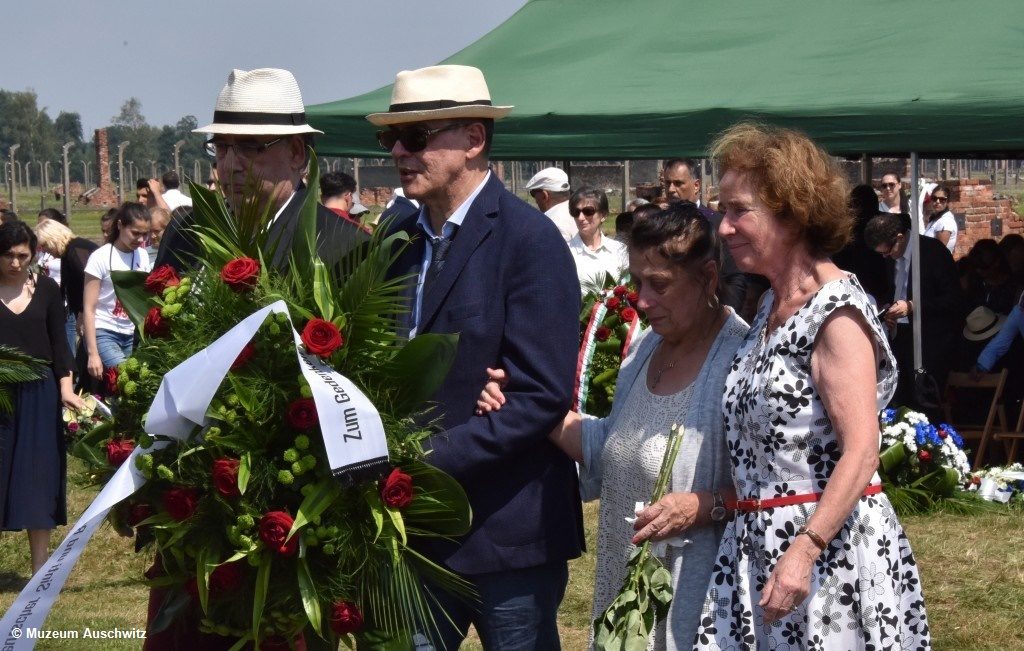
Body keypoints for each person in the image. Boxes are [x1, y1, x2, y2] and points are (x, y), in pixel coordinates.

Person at [371, 64, 583, 649]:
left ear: (473, 140)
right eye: (389, 138)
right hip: (413, 531)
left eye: (415, 137)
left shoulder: (528, 240)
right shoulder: (398, 237)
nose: (398, 151)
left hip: (506, 533)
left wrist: (419, 460)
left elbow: (540, 396)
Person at [476, 204, 749, 649]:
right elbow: (610, 446)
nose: (642, 300)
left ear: (709, 278)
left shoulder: (740, 363)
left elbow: (781, 490)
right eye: (638, 282)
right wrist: (524, 399)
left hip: (700, 609)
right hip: (627, 594)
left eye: (659, 284)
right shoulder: (643, 349)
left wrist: (704, 506)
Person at [702, 123, 930, 649]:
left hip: (828, 561)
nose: (724, 227)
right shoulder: (768, 308)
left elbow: (861, 450)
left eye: (739, 210)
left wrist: (804, 550)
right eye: (722, 210)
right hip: (759, 549)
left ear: (792, 212)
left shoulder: (837, 312)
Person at [156, 68, 368, 273]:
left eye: (249, 147)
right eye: (221, 147)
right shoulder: (187, 232)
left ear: (296, 152)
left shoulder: (345, 248)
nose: (229, 166)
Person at [0, 222, 84, 573]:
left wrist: (66, 388)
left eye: (23, 255)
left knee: (39, 477)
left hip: (40, 393)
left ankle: (39, 570)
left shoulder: (48, 289)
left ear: (33, 254)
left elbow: (60, 345)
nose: (16, 263)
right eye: (7, 255)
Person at [864, 212, 965, 406]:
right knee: (900, 400)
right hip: (899, 338)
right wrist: (888, 307)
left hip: (930, 343)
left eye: (889, 251)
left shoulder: (933, 252)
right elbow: (893, 289)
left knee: (925, 404)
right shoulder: (891, 257)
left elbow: (954, 301)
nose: (886, 256)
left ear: (900, 238)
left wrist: (913, 306)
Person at [663, 158, 748, 312]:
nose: (671, 190)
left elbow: (735, 279)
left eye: (678, 183)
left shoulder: (719, 225)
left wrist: (721, 319)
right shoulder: (658, 226)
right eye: (667, 183)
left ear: (696, 185)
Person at [83, 203, 152, 384]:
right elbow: (89, 309)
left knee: (124, 388)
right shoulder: (100, 257)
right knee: (129, 378)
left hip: (131, 332)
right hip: (104, 331)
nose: (140, 239)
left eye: (144, 234)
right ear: (120, 225)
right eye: (135, 233)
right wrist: (92, 353)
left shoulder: (143, 256)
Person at [34, 219, 84, 359]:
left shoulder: (75, 251)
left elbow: (86, 284)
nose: (44, 250)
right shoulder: (69, 253)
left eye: (44, 245)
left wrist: (82, 313)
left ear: (53, 239)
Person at [567, 186, 628, 291]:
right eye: (576, 212)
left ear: (603, 215)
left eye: (588, 211)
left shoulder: (620, 250)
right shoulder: (565, 251)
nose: (580, 218)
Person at [524, 167, 576, 241]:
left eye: (533, 194)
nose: (536, 201)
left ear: (544, 196)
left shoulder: (550, 223)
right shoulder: (580, 213)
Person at [923, 185, 958, 253]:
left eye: (942, 199)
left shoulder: (945, 221)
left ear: (947, 202)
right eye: (934, 198)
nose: (937, 201)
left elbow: (939, 251)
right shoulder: (936, 219)